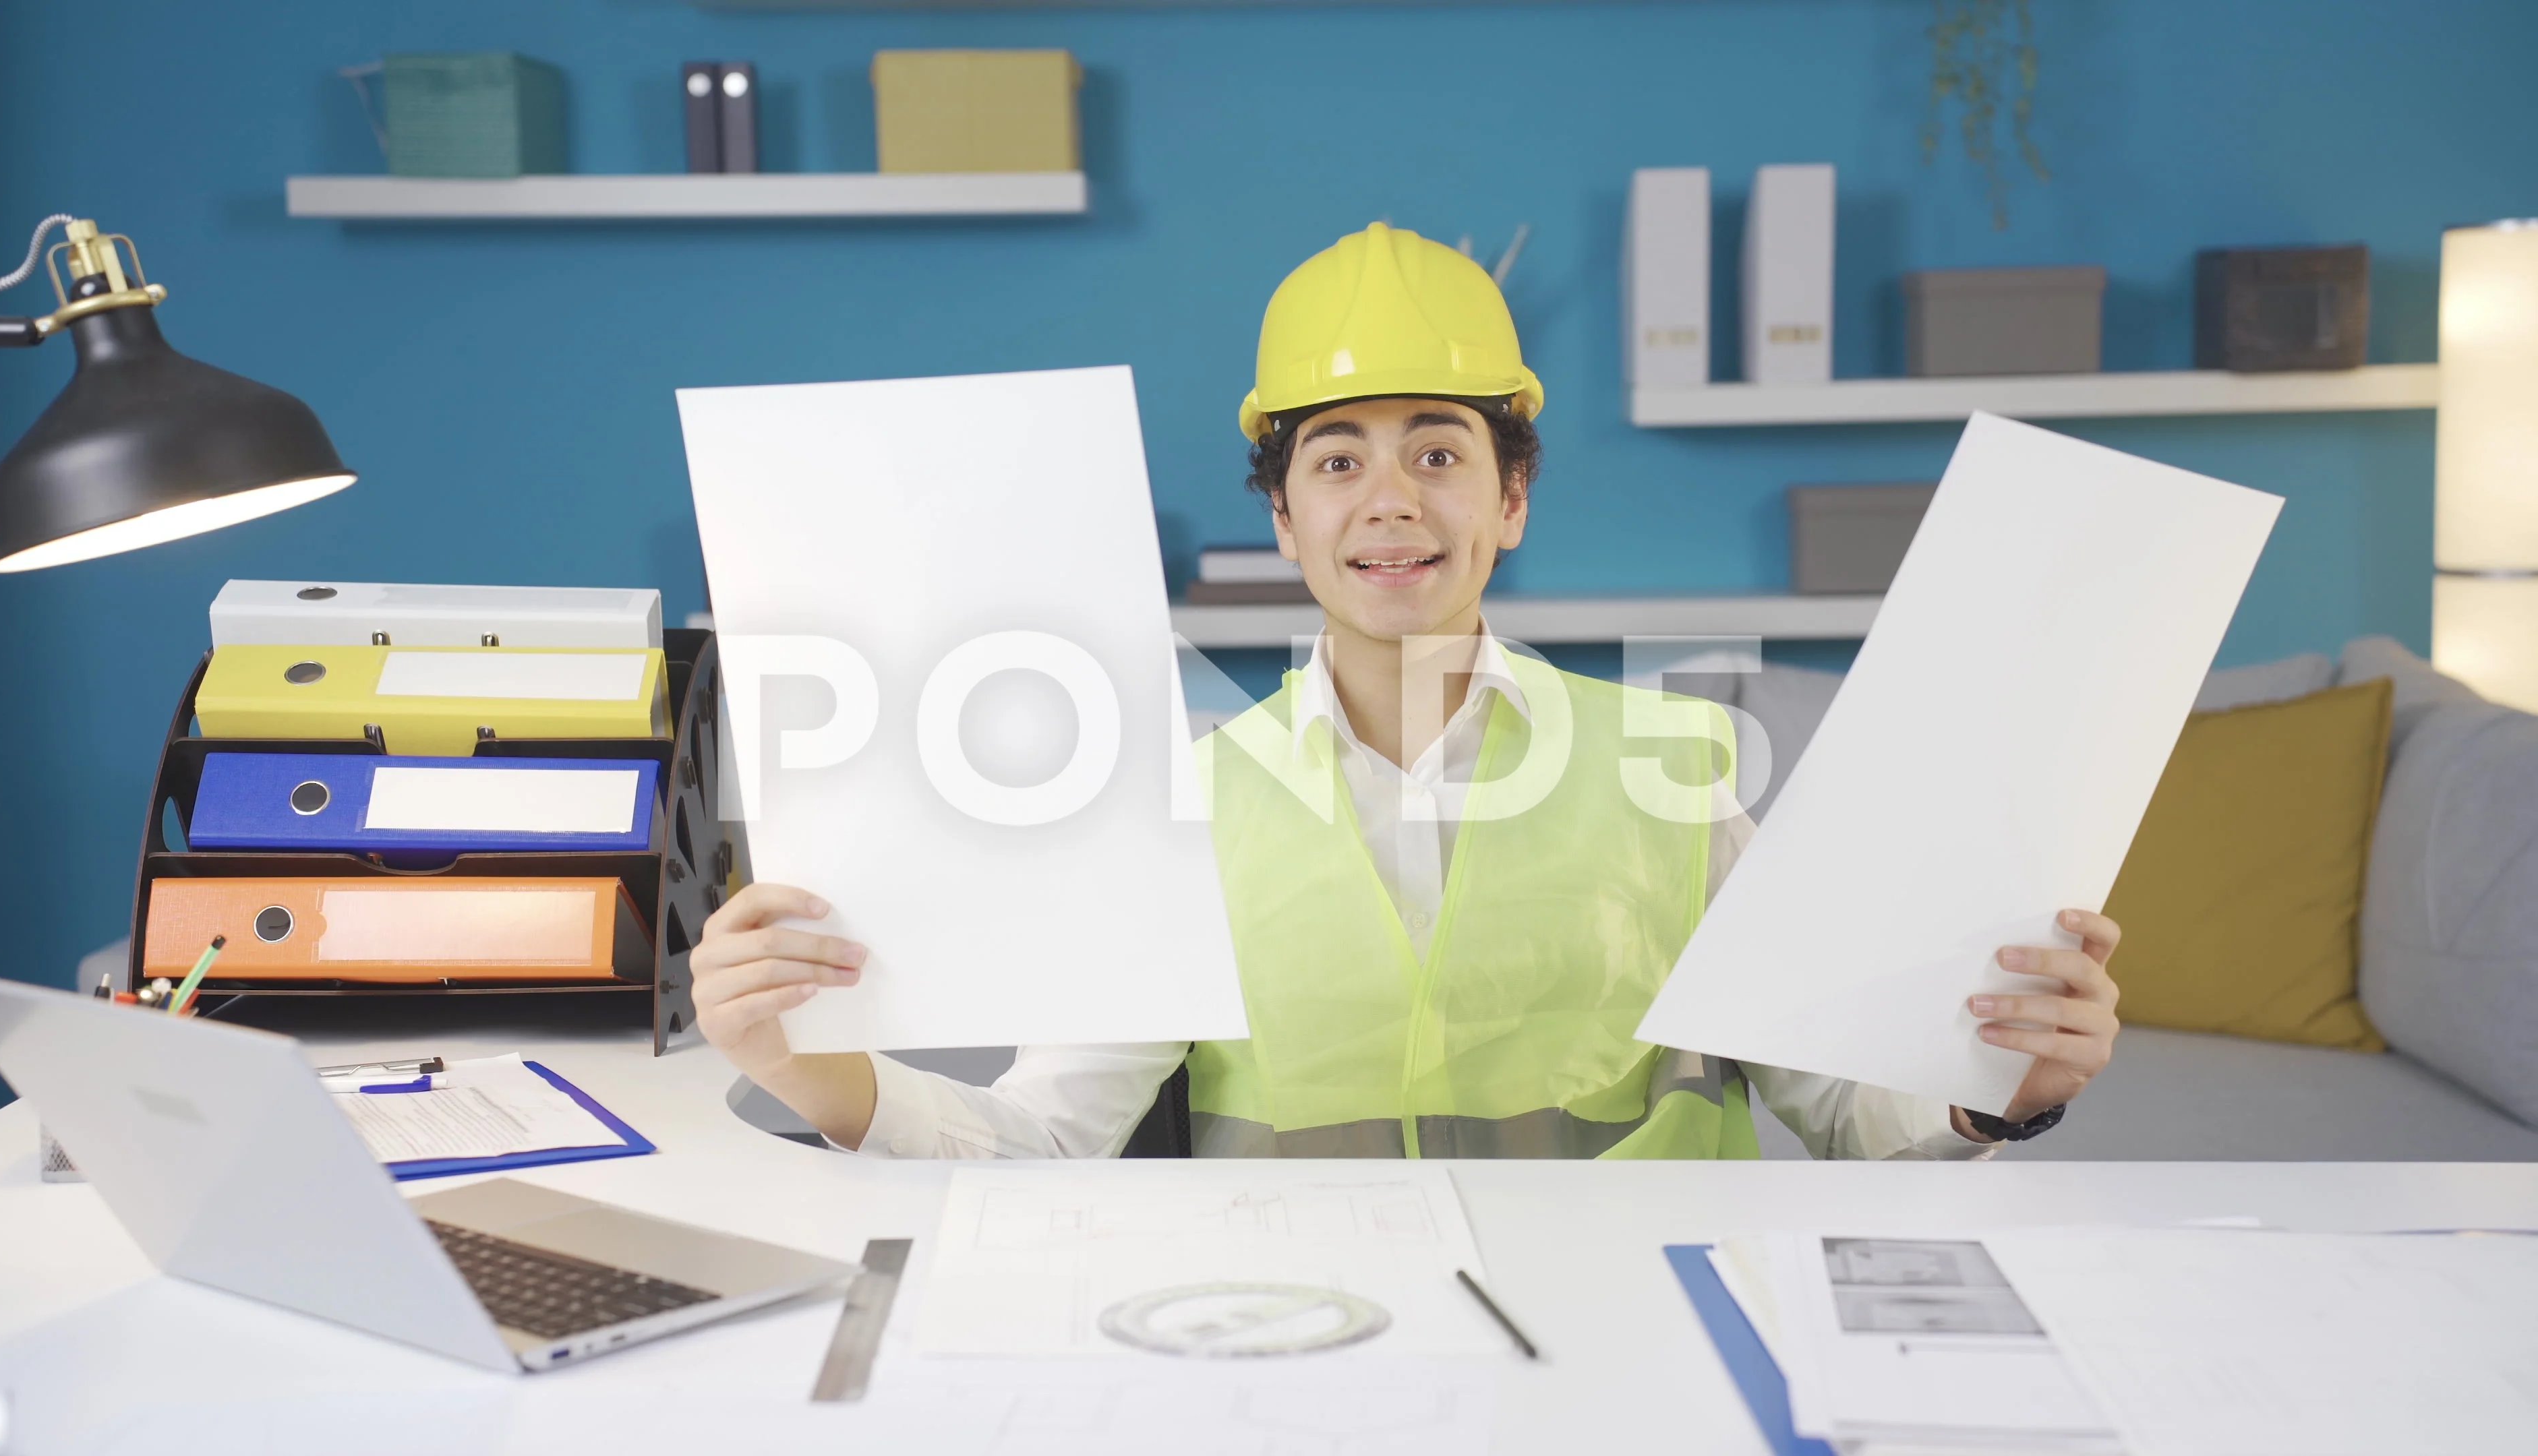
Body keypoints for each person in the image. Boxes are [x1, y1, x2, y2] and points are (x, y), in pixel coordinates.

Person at [692, 222, 2122, 1160]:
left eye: (1438, 452)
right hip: (1306, 1349)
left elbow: (1855, 1117)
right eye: (1338, 459)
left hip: (1645, 1351)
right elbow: (1047, 1140)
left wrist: (2003, 1082)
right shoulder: (1180, 805)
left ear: (1512, 500)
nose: (1390, 501)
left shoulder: (1675, 776)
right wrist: (815, 1069)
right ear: (1283, 522)